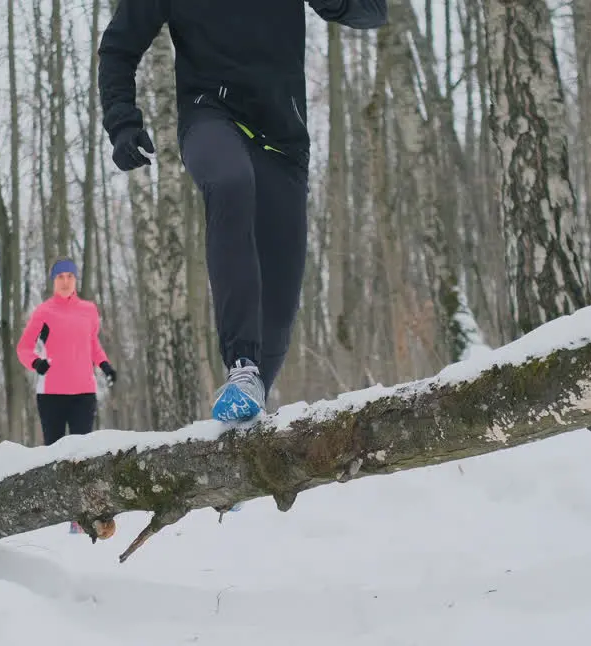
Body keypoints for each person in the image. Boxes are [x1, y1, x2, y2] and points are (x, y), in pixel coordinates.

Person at [97, 0, 387, 423]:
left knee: (279, 307)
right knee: (231, 182)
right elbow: (118, 47)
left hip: (283, 140)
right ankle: (241, 367)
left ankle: (248, 412)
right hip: (209, 116)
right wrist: (122, 122)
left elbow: (372, 13)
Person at [17, 257, 118, 447]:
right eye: (60, 277)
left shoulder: (89, 310)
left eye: (70, 276)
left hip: (84, 394)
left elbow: (92, 343)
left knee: (82, 454)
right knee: (53, 456)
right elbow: (23, 348)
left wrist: (106, 366)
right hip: (51, 395)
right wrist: (36, 363)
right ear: (54, 281)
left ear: (76, 279)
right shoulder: (44, 312)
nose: (65, 282)